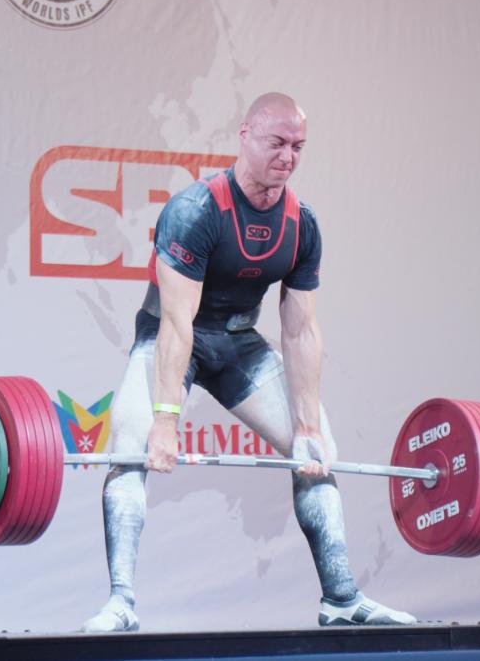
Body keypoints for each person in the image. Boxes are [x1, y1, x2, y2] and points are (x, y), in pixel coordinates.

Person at [82, 93, 416, 632]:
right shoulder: (195, 211)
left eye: (298, 146)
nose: (288, 156)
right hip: (174, 335)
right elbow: (177, 323)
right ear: (245, 136)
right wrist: (165, 420)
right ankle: (121, 602)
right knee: (129, 440)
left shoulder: (302, 224)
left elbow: (300, 330)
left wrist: (306, 425)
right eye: (277, 142)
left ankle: (341, 598)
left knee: (318, 450)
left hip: (238, 344)